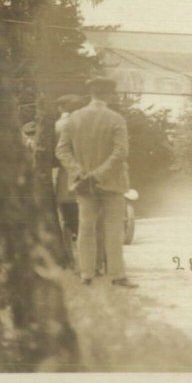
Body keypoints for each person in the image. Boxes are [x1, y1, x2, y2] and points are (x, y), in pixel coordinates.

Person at [56, 77, 137, 288]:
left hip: (83, 184)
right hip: (112, 182)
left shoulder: (74, 118)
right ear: (109, 94)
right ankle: (117, 275)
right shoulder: (115, 118)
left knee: (85, 228)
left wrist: (79, 172)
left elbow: (62, 150)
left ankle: (86, 275)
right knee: (113, 228)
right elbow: (121, 152)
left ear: (91, 93)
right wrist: (99, 173)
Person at [53, 94, 84, 267]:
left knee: (67, 220)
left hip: (66, 176)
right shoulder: (85, 124)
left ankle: (71, 261)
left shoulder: (59, 125)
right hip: (85, 176)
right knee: (82, 220)